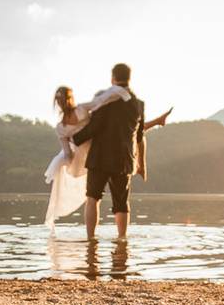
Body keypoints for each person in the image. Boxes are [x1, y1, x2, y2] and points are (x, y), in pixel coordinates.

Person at [43, 74, 171, 234]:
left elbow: (68, 154)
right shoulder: (82, 109)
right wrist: (120, 92)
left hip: (91, 152)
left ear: (57, 104)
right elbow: (100, 102)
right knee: (131, 130)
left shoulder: (60, 128)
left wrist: (68, 158)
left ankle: (91, 240)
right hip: (102, 147)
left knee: (92, 198)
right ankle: (121, 239)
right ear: (71, 98)